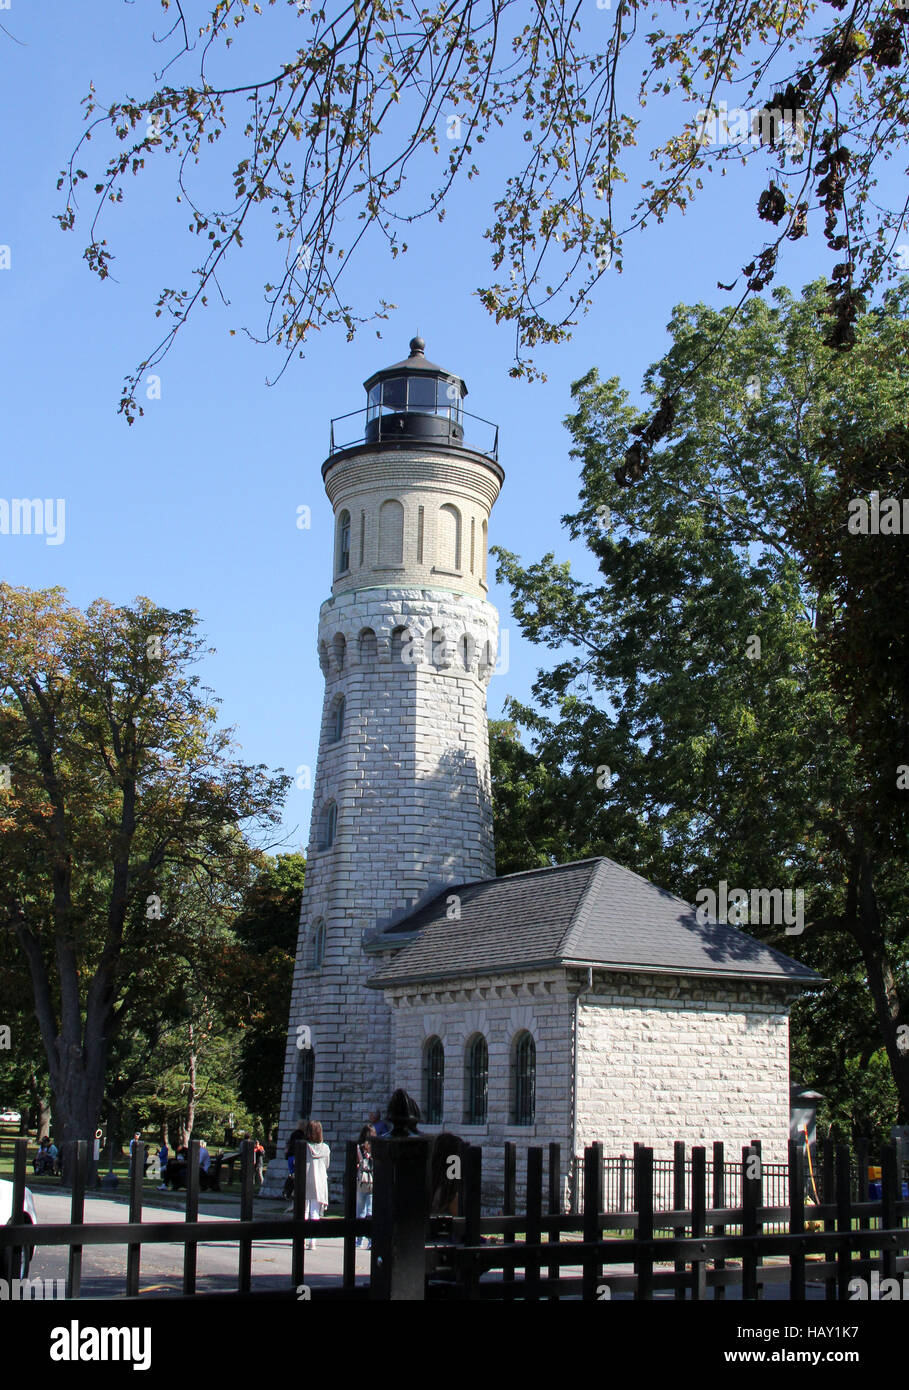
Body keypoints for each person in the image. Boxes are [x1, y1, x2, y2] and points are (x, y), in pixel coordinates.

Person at [303, 1120, 331, 1250]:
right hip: (319, 1182)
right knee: (315, 1212)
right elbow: (327, 1165)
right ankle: (312, 1240)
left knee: (303, 1211)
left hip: (305, 1179)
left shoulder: (304, 1146)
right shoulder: (325, 1148)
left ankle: (301, 1237)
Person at [355, 1125, 375, 1248]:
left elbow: (357, 1163)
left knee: (360, 1210)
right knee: (370, 1210)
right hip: (373, 1180)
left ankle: (359, 1239)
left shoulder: (359, 1148)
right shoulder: (376, 1148)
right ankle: (371, 1239)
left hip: (361, 1180)